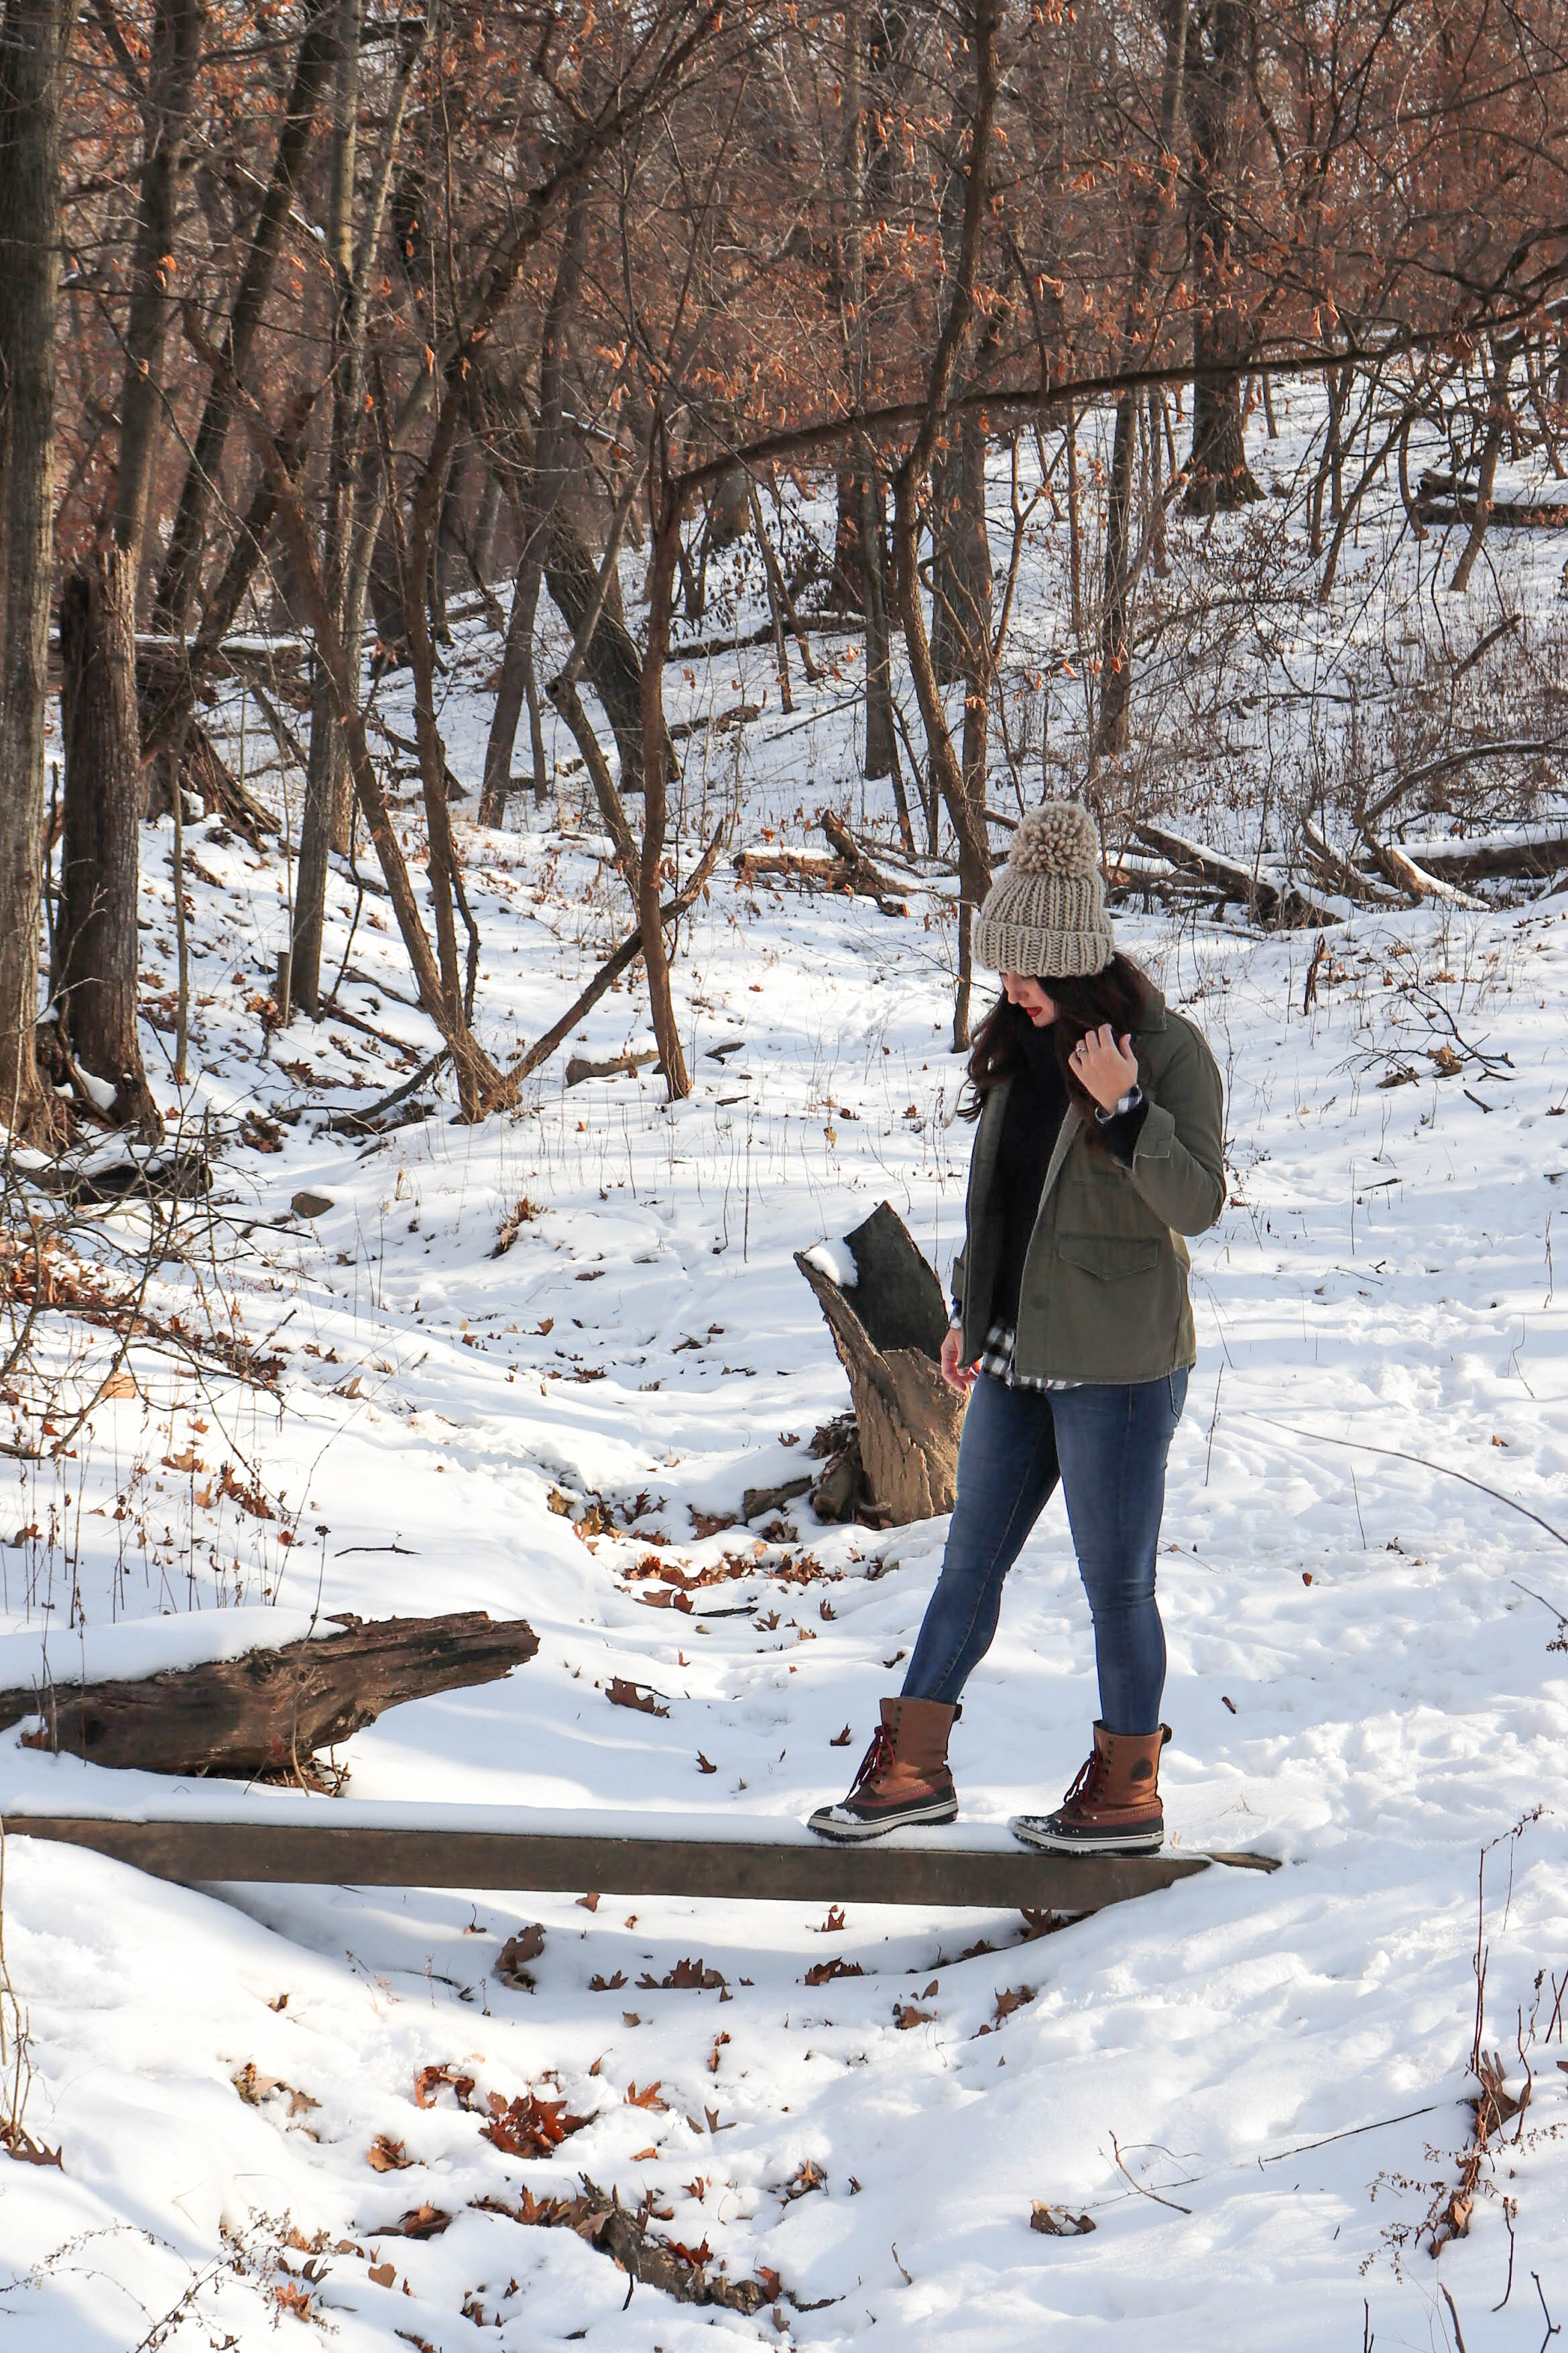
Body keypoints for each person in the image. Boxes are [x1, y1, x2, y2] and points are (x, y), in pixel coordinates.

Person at [810, 801, 1225, 1854]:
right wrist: (968, 1308)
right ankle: (910, 1768)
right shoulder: (1018, 1045)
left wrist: (1130, 1111)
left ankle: (1128, 1793)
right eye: (1003, 971)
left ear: (1081, 966)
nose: (1011, 990)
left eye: (1028, 973)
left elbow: (1199, 1203)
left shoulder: (1168, 1053)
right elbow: (996, 1199)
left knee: (1116, 1586)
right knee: (967, 1565)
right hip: (1014, 1355)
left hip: (1121, 1366)